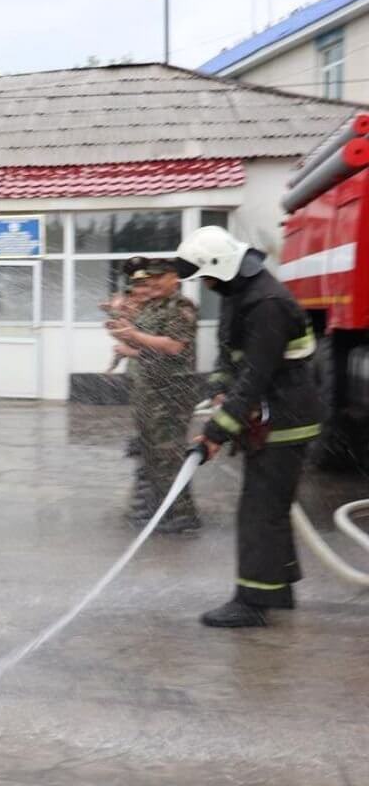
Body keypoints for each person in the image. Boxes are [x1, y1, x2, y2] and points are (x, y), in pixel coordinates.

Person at [174, 226, 323, 627]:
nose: (204, 284)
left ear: (222, 267)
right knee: (268, 509)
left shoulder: (268, 304)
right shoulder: (238, 294)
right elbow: (230, 359)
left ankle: (253, 603)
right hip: (267, 417)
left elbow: (255, 377)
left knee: (260, 512)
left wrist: (214, 435)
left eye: (205, 275)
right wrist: (220, 391)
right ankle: (275, 587)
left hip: (286, 420)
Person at [109, 259, 201, 533]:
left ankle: (182, 517)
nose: (153, 283)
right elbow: (138, 339)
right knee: (152, 454)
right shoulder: (152, 308)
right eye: (152, 278)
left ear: (175, 278)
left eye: (160, 278)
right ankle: (161, 510)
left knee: (169, 455)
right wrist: (121, 325)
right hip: (149, 390)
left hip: (171, 393)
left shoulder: (180, 308)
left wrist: (133, 335)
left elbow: (173, 346)